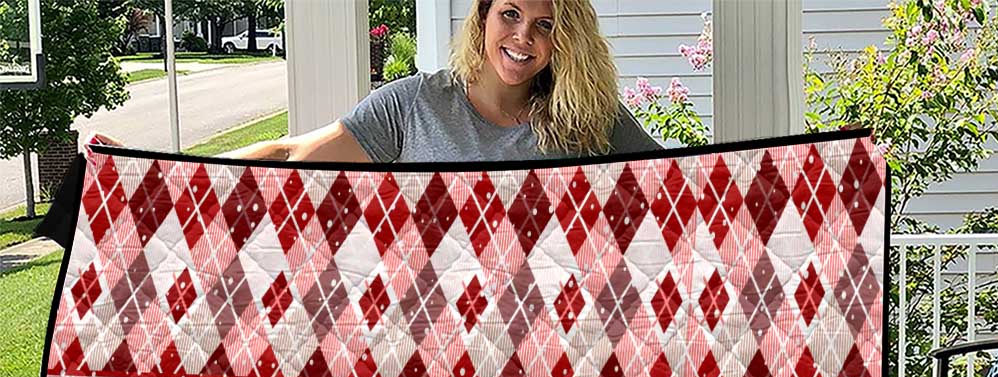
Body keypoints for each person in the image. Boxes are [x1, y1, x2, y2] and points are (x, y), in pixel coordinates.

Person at [91, 0, 661, 162]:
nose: (522, 37)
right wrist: (151, 167)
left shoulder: (590, 118)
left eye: (544, 25)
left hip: (544, 354)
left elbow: (682, 189)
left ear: (563, 40)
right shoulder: (414, 104)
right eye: (510, 14)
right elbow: (293, 152)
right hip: (423, 343)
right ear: (483, 17)